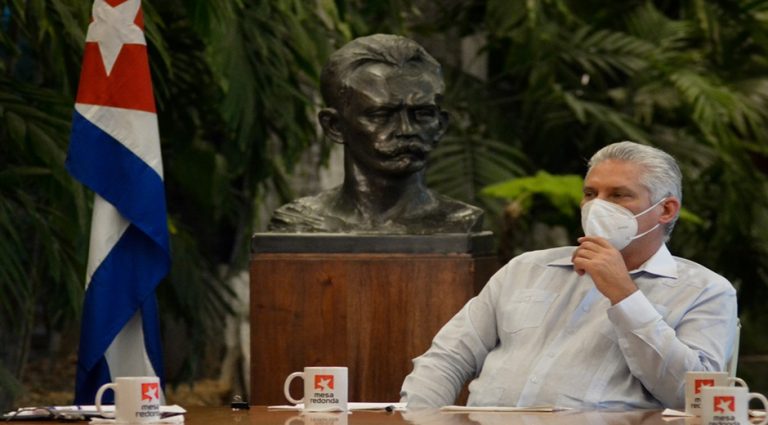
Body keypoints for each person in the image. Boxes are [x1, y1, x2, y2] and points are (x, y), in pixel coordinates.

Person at [400, 141, 738, 409]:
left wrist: (625, 295)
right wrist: (416, 417)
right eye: (591, 194)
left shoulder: (704, 291)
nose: (597, 206)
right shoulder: (526, 268)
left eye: (619, 195)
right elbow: (448, 357)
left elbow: (696, 397)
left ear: (665, 210)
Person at [268, 34, 483, 234]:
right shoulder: (300, 224)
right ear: (334, 126)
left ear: (440, 125)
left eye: (422, 114)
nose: (406, 130)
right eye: (382, 115)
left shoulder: (460, 223)